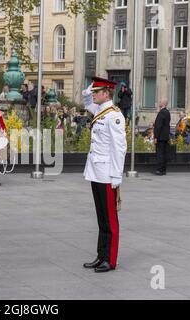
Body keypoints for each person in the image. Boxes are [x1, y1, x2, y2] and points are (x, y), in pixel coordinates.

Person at [82, 77, 127, 273]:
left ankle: (111, 259)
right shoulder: (100, 110)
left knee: (110, 220)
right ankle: (101, 256)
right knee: (101, 218)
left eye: (97, 91)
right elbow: (86, 101)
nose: (93, 94)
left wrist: (117, 176)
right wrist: (89, 90)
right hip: (96, 171)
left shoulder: (114, 115)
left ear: (107, 93)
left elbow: (119, 148)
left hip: (108, 174)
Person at [153, 99, 171, 176]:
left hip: (160, 136)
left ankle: (160, 170)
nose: (159, 102)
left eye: (160, 101)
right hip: (165, 136)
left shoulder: (161, 112)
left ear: (163, 103)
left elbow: (158, 126)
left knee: (160, 153)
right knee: (164, 153)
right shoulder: (167, 112)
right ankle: (163, 169)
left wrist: (156, 137)